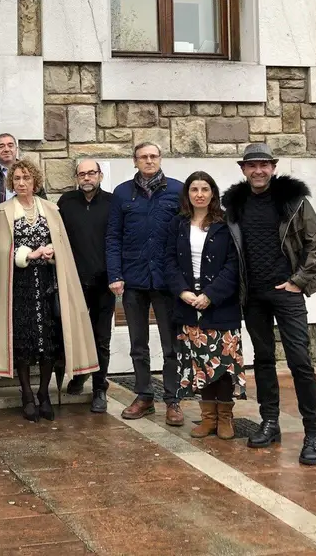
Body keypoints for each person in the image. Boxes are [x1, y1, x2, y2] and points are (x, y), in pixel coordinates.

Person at [222, 143, 316, 466]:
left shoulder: (293, 200)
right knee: (264, 360)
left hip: (288, 292)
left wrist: (299, 280)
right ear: (243, 170)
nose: (258, 171)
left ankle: (314, 433)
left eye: (264, 165)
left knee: (300, 362)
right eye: (252, 166)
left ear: (273, 167)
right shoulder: (235, 207)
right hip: (253, 295)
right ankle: (270, 422)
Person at [0, 160, 98, 422]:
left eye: (27, 178)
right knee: (23, 341)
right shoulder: (3, 211)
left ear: (35, 181)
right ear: (11, 182)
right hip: (17, 285)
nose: (22, 183)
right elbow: (1, 252)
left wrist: (52, 253)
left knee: (49, 341)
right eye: (17, 179)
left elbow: (63, 245)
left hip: (48, 284)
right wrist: (30, 254)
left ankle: (44, 393)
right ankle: (26, 394)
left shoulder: (50, 209)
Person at [106, 142, 184, 425]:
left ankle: (173, 399)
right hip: (134, 280)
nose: (149, 160)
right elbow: (113, 236)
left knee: (171, 344)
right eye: (143, 157)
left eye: (153, 156)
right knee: (138, 343)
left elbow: (185, 235)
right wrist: (115, 275)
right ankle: (144, 395)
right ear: (135, 161)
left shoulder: (178, 190)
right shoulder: (122, 193)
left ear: (160, 159)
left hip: (166, 281)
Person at [165, 172, 245, 440]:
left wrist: (210, 295)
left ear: (213, 193)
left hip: (219, 304)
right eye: (194, 189)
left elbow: (234, 265)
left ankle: (225, 418)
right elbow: (169, 261)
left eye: (205, 189)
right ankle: (208, 418)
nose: (199, 194)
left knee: (221, 366)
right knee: (199, 364)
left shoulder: (226, 222)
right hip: (189, 304)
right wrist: (183, 292)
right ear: (187, 194)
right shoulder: (178, 223)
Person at [57, 159, 114, 413]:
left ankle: (100, 388)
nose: (87, 178)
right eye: (82, 174)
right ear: (77, 178)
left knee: (101, 336)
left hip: (104, 281)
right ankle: (80, 374)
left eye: (92, 173)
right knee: (77, 333)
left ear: (100, 175)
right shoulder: (66, 203)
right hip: (75, 280)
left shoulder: (113, 203)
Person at [0, 133, 46, 206]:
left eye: (10, 145)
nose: (6, 149)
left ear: (16, 149)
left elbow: (42, 202)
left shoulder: (30, 172)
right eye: (1, 146)